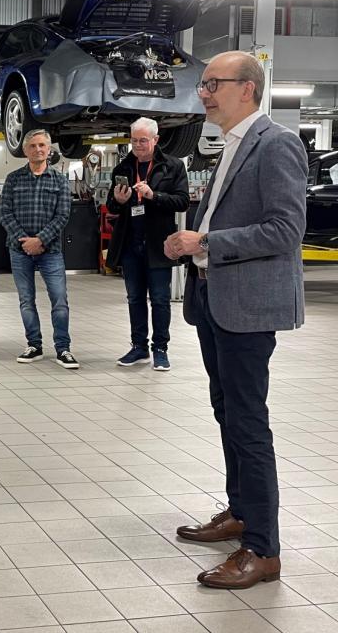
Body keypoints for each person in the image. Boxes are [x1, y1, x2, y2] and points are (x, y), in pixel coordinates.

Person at [165, 51, 306, 589]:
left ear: (246, 88)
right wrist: (193, 243)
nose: (202, 92)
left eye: (211, 84)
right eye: (202, 84)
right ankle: (241, 510)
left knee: (248, 424)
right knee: (227, 412)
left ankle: (263, 550)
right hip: (214, 301)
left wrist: (206, 241)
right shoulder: (230, 146)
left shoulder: (276, 145)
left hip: (248, 308)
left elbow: (285, 230)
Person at [106, 117, 189, 371]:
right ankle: (139, 347)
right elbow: (110, 205)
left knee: (161, 300)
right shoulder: (123, 167)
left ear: (155, 140)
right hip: (131, 244)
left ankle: (160, 349)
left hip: (158, 244)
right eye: (134, 141)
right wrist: (119, 201)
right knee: (135, 299)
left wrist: (155, 195)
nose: (138, 146)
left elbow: (183, 201)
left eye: (143, 140)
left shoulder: (172, 167)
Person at [0, 129, 79, 369]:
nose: (38, 149)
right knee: (26, 300)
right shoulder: (13, 179)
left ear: (49, 149)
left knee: (59, 300)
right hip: (18, 249)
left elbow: (63, 215)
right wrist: (25, 240)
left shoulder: (60, 180)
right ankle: (34, 345)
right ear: (25, 150)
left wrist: (40, 240)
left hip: (51, 250)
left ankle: (63, 349)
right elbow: (4, 213)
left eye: (42, 145)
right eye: (33, 146)